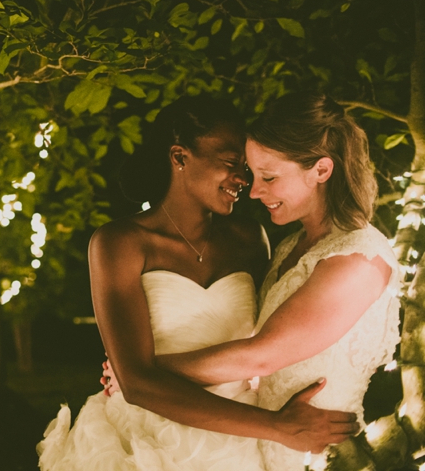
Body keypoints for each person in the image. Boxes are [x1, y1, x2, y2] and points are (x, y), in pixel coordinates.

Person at [37, 95, 360, 471]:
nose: (244, 180)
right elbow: (137, 385)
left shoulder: (249, 238)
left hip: (241, 444)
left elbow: (268, 341)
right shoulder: (119, 243)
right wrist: (275, 426)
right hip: (144, 443)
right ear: (179, 157)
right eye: (231, 164)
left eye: (248, 168)